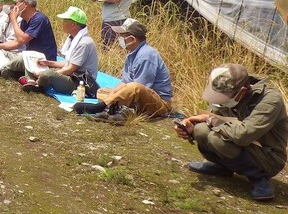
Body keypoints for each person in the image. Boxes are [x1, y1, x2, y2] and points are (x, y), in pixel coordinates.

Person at [174, 64, 288, 201]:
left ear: (243, 91)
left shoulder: (270, 100)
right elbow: (215, 120)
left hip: (268, 157)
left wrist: (212, 120)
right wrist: (190, 129)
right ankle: (222, 167)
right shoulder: (228, 90)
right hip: (241, 144)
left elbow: (242, 135)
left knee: (217, 139)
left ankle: (258, 178)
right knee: (200, 130)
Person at [77, 18, 173, 122]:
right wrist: (113, 94)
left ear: (132, 39)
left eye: (123, 36)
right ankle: (114, 105)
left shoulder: (146, 55)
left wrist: (113, 97)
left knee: (135, 86)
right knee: (102, 91)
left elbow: (140, 88)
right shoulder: (131, 54)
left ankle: (103, 106)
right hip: (135, 95)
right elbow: (124, 82)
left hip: (158, 103)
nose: (120, 39)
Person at [22, 6, 99, 95]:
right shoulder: (74, 39)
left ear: (73, 24)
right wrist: (48, 63)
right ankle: (31, 81)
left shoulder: (84, 43)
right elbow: (68, 64)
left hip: (78, 82)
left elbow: (69, 69)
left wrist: (44, 73)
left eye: (65, 21)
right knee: (34, 63)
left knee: (48, 73)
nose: (62, 23)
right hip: (71, 75)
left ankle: (37, 83)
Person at [0, 0, 58, 79]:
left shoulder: (39, 19)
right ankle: (8, 70)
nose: (14, 6)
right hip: (30, 56)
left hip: (42, 59)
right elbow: (16, 43)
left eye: (16, 3)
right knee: (1, 53)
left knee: (16, 62)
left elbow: (22, 40)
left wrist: (13, 19)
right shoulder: (25, 21)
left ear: (25, 4)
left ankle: (9, 71)